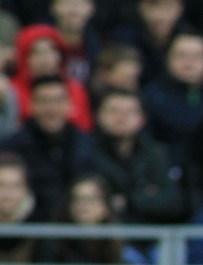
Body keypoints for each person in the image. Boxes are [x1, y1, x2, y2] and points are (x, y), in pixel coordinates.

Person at [0, 75, 95, 217]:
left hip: (75, 225)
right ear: (31, 105)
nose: (51, 109)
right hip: (27, 225)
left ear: (69, 104)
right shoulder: (11, 148)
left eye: (58, 101)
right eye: (44, 101)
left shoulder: (86, 145)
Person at [89, 88, 186, 223]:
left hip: (147, 232)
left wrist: (128, 201)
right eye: (113, 111)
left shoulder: (155, 153)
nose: (121, 118)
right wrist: (146, 194)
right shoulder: (85, 152)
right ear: (98, 115)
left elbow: (172, 202)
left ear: (142, 118)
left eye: (129, 112)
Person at [141, 32, 203, 169]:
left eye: (197, 56)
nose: (189, 63)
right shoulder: (150, 97)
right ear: (167, 58)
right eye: (181, 56)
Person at [10, 24, 92, 131]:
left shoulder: (75, 89)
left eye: (51, 50)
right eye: (35, 52)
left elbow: (84, 127)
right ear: (24, 57)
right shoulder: (11, 91)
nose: (45, 59)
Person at [50, 0, 100, 86]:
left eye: (82, 3)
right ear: (53, 8)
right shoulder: (40, 40)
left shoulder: (96, 44)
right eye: (67, 2)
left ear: (92, 10)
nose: (74, 9)